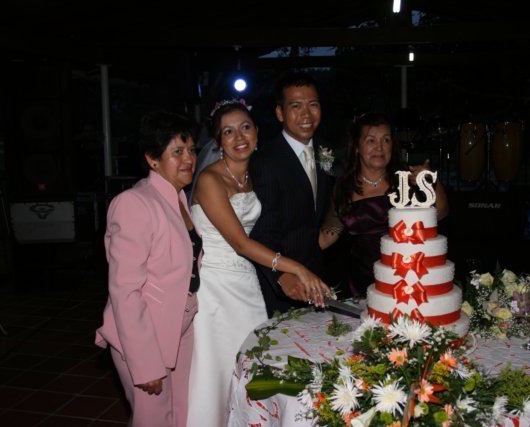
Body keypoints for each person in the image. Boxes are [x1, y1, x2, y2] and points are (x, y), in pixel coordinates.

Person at [187, 99, 332, 427]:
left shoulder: (254, 176)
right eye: (228, 132)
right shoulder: (210, 180)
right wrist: (296, 268)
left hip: (247, 284)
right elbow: (240, 243)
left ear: (257, 132)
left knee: (251, 363)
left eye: (245, 128)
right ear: (218, 141)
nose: (238, 137)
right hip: (216, 289)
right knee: (219, 370)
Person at [95, 111, 200, 427]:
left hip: (178, 327)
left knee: (179, 415)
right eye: (177, 151)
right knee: (153, 420)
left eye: (191, 149)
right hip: (144, 335)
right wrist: (145, 363)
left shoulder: (178, 197)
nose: (189, 159)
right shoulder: (134, 203)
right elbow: (125, 291)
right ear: (152, 159)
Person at [319, 112, 449, 298]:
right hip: (361, 286)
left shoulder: (406, 181)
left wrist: (431, 182)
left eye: (386, 140)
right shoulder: (344, 187)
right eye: (371, 141)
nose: (379, 148)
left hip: (407, 280)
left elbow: (440, 213)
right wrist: (292, 261)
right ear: (357, 147)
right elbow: (328, 235)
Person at [249, 71, 335, 316]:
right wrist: (282, 276)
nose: (306, 114)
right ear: (280, 113)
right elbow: (261, 230)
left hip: (317, 277)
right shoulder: (265, 161)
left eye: (313, 104)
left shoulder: (324, 149)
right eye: (296, 106)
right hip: (283, 286)